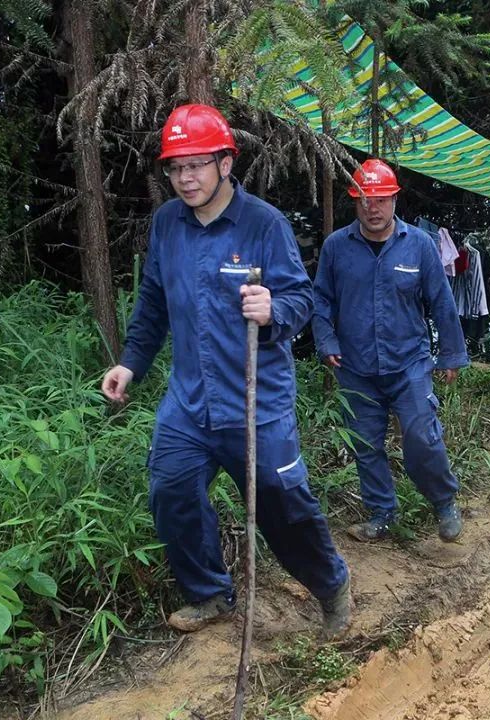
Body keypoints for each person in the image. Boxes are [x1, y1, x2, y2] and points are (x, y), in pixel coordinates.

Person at [100, 104, 351, 638]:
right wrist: (130, 362)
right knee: (171, 491)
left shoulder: (263, 224)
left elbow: (301, 298)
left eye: (196, 165)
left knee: (283, 505)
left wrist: (273, 309)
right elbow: (153, 300)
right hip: (189, 402)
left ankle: (331, 585)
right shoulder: (167, 223)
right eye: (175, 167)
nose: (185, 178)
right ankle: (210, 593)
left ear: (225, 163)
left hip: (256, 403)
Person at [312, 159, 469, 543]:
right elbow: (321, 301)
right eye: (365, 200)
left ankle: (444, 502)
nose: (373, 208)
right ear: (356, 202)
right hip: (355, 365)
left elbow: (441, 302)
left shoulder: (419, 245)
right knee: (365, 443)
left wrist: (451, 354)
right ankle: (382, 512)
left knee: (421, 435)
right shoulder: (336, 247)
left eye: (381, 199)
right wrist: (326, 341)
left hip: (409, 363)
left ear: (395, 200)